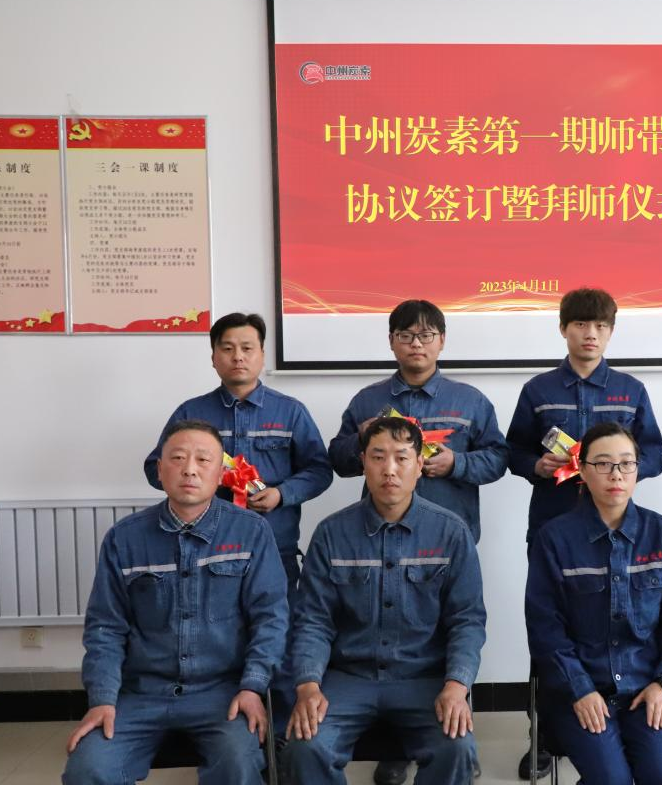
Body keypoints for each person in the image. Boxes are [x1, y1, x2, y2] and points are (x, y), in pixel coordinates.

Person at [63, 420, 289, 785]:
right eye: (178, 458)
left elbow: (271, 618)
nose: (190, 469)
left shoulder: (251, 531)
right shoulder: (124, 538)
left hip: (223, 692)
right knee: (88, 770)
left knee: (239, 765)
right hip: (141, 693)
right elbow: (105, 628)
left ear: (221, 473)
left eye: (203, 460)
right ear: (159, 469)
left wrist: (253, 686)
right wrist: (102, 699)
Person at [144, 312, 332, 737]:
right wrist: (205, 487)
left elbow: (320, 470)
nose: (237, 357)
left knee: (279, 636)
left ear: (262, 354)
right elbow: (155, 468)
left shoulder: (290, 412)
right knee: (216, 638)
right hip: (205, 553)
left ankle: (282, 737)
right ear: (213, 356)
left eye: (247, 348)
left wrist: (282, 494)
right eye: (227, 348)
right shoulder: (191, 413)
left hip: (275, 550)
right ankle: (229, 729)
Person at [507, 287, 662, 780]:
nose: (590, 334)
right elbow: (512, 452)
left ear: (611, 331)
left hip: (619, 528)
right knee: (548, 628)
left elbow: (656, 455)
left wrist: (618, 468)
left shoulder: (630, 390)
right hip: (554, 528)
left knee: (617, 623)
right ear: (563, 329)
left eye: (600, 326)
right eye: (580, 324)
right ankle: (544, 735)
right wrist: (537, 464)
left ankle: (619, 720)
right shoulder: (538, 390)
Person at [285, 417, 486, 785]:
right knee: (305, 745)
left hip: (423, 676)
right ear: (363, 463)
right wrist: (308, 685)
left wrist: (457, 686)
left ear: (420, 465)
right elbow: (313, 620)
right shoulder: (331, 533)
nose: (389, 469)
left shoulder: (451, 532)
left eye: (401, 458)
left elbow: (467, 621)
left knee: (456, 748)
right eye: (378, 457)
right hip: (349, 677)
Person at [526, 422, 662, 784]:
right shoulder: (554, 539)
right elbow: (546, 629)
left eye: (626, 463)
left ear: (637, 469)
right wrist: (580, 689)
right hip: (580, 691)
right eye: (603, 463)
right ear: (582, 469)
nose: (616, 474)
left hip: (648, 687)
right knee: (611, 780)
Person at [329, 298, 507, 545]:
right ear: (391, 341)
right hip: (380, 536)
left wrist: (456, 463)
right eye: (405, 336)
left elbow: (498, 460)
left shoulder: (471, 401)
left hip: (450, 537)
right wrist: (361, 438)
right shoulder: (367, 401)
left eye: (426, 335)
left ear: (442, 340)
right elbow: (338, 462)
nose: (416, 344)